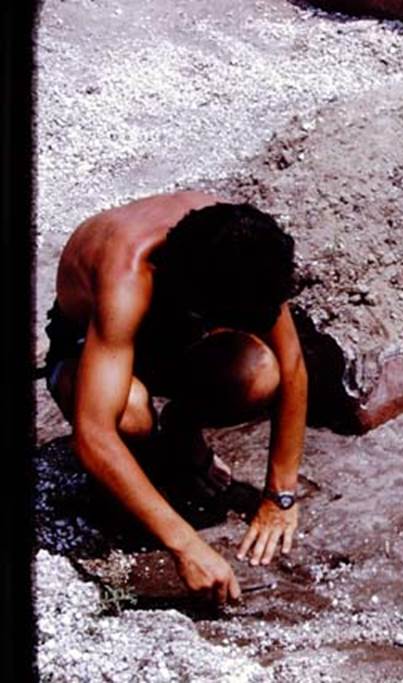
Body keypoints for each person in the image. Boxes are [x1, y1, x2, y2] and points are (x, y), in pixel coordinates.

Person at [43, 191, 308, 604]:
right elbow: (94, 434)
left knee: (259, 372)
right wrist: (184, 543)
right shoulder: (126, 271)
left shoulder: (243, 245)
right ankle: (145, 468)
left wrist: (280, 496)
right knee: (129, 415)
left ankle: (181, 433)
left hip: (169, 332)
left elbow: (291, 365)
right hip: (88, 343)